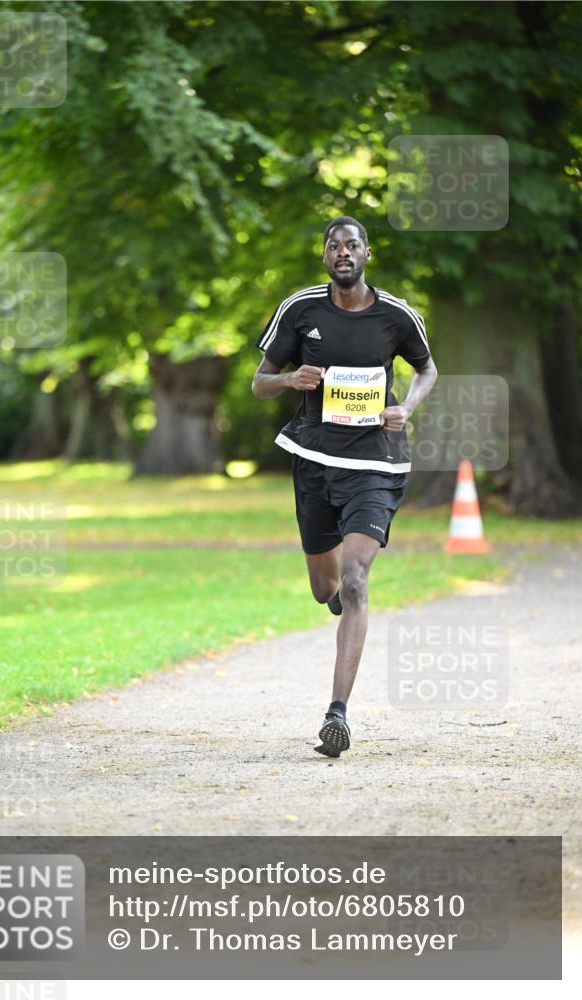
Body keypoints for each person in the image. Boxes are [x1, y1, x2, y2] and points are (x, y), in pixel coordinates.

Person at [252, 216, 438, 757]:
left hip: (376, 464)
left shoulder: (395, 315)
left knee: (355, 578)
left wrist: (406, 406)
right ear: (325, 254)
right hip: (313, 459)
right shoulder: (300, 309)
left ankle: (337, 714)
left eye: (351, 244)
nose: (342, 252)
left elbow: (428, 371)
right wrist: (289, 379)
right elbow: (259, 383)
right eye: (334, 245)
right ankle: (333, 597)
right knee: (325, 588)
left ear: (367, 254)